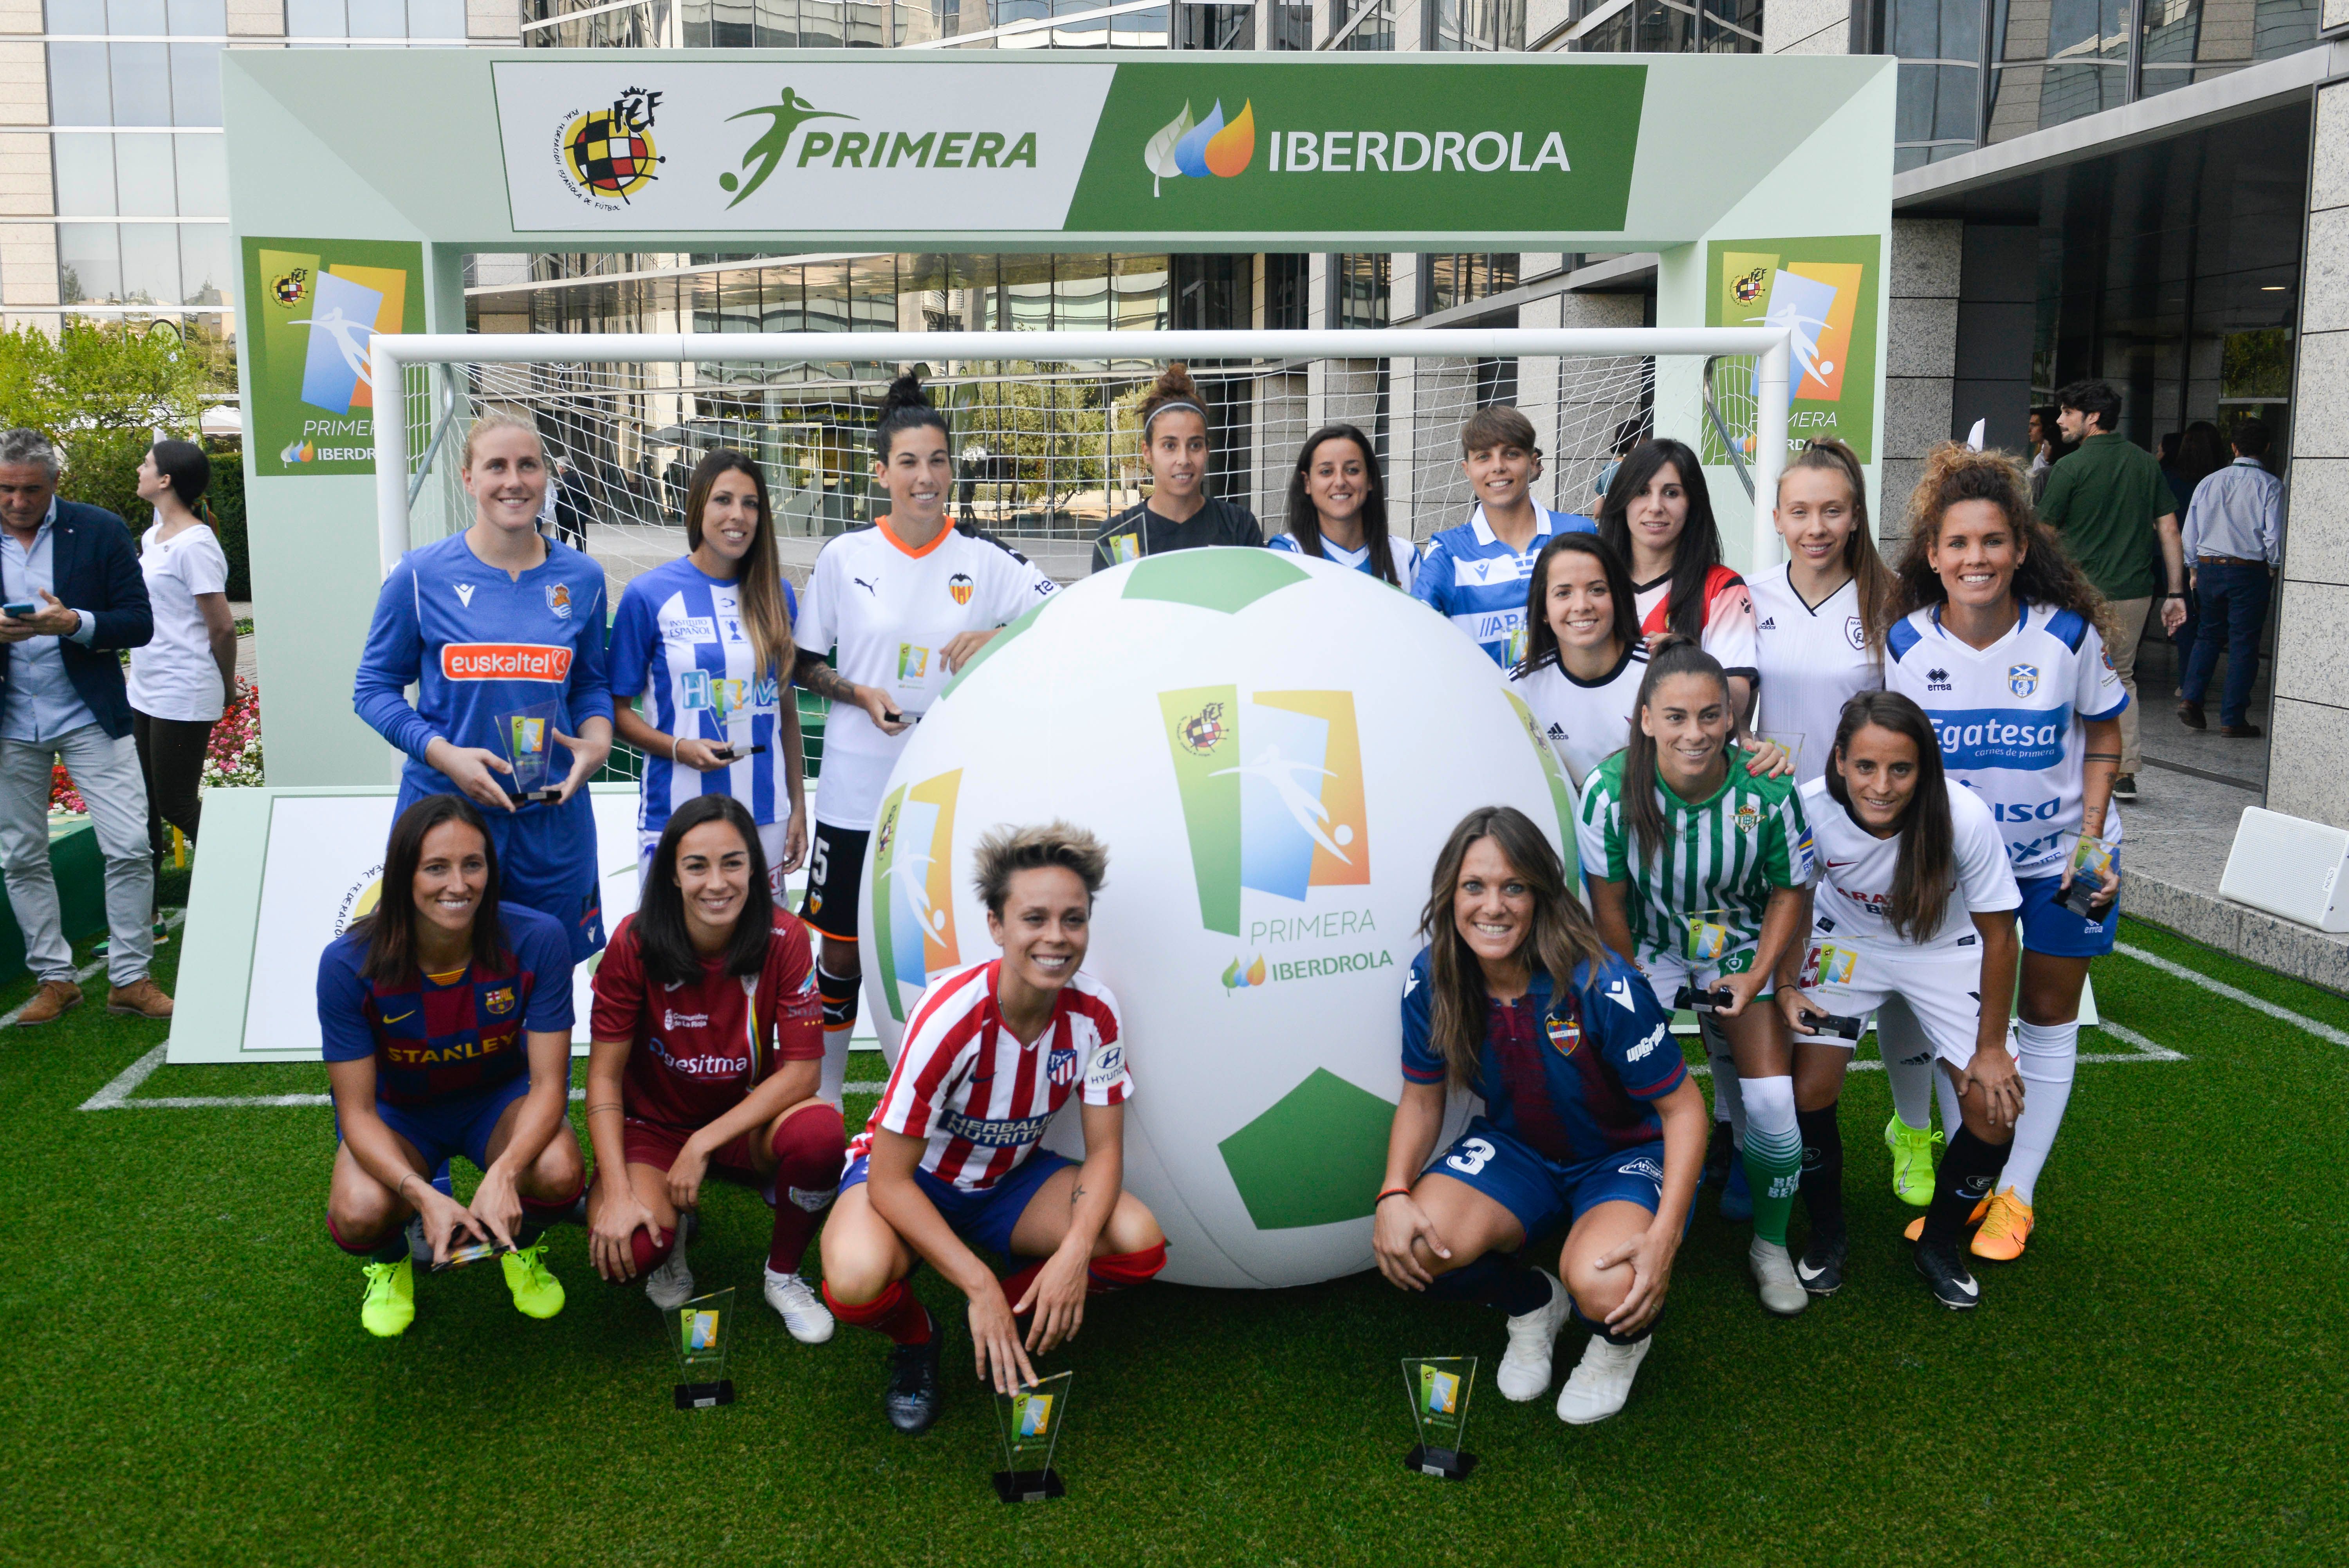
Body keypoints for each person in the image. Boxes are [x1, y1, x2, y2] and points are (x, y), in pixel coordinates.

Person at [817, 823, 1165, 1434]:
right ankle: (922, 1339)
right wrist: (977, 1284)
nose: (1056, 937)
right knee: (852, 1280)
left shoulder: (1095, 1011)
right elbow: (892, 1181)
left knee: (1138, 1240)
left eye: (1074, 919)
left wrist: (1075, 1251)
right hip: (913, 1181)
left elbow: (1105, 1150)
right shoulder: (951, 1017)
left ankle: (1021, 1306)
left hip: (1008, 1183)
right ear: (997, 926)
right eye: (1034, 918)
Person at [1373, 806, 1703, 1425]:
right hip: (1517, 1150)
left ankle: (1617, 1347)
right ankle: (1532, 1303)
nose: (1492, 906)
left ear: (1541, 896)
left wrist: (1665, 1238)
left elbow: (1684, 1109)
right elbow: (1422, 1095)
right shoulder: (1433, 978)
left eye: (1513, 887)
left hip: (1622, 1155)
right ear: (1451, 894)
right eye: (1475, 886)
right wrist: (1392, 1191)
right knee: (1416, 1242)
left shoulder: (1601, 982)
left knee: (1607, 1286)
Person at [1886, 442, 2127, 1263]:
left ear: (2021, 549)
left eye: (1992, 541)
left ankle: (2015, 1196)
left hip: (2069, 857)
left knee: (2049, 1019)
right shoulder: (1908, 646)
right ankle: (1973, 1185)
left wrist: (2092, 840)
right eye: (1958, 543)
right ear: (1933, 555)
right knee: (1970, 1032)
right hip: (1958, 875)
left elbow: (2103, 732)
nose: (1975, 557)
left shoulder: (2067, 636)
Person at [792, 375, 1059, 1099]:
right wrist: (856, 692)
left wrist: (1000, 633)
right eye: (909, 462)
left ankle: (945, 1096)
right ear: (882, 472)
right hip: (856, 784)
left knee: (948, 944)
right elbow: (803, 663)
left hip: (950, 784)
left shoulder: (984, 557)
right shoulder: (846, 558)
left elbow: (1059, 616)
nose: (926, 476)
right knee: (842, 951)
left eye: (938, 460)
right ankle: (827, 1098)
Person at [1577, 637, 1815, 1315]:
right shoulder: (1606, 792)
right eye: (1676, 717)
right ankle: (1617, 1214)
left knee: (1771, 1104)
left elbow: (1789, 893)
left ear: (1731, 720)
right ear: (1646, 719)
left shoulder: (1767, 789)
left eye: (1711, 716)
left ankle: (1770, 1248)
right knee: (1617, 1086)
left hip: (1737, 942)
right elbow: (1611, 907)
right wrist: (1633, 999)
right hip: (1647, 943)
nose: (1695, 732)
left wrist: (1759, 975)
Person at [1743, 438, 1951, 1209]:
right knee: (1802, 987)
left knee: (1901, 985)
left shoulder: (1893, 602)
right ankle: (1763, 1144)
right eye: (1801, 510)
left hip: (1875, 827)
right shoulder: (1748, 596)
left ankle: (1913, 1127)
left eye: (1833, 509)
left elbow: (1910, 722)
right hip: (1783, 831)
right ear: (1778, 516)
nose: (1817, 526)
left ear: (1856, 514)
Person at [1773, 692, 2024, 1306]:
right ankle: (1828, 1235)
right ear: (1839, 761)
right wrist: (1786, 984)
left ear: (1924, 768)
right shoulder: (1805, 809)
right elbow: (1795, 902)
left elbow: (2000, 936)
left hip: (1946, 949)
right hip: (1846, 943)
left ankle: (1938, 1244)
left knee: (1995, 1109)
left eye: (1900, 769)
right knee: (1806, 1091)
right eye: (1865, 766)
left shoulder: (1962, 816)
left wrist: (1992, 1048)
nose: (1881, 786)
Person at [318, 793, 584, 1338]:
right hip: (403, 1115)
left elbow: (551, 1085)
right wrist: (421, 1193)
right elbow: (357, 1112)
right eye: (436, 867)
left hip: (496, 1103)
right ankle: (391, 1265)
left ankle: (519, 1247)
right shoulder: (348, 962)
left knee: (558, 1170)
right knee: (360, 1209)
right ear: (403, 875)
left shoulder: (538, 939)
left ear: (492, 868)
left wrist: (505, 1173)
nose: (458, 884)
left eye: (473, 864)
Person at [353, 412, 614, 965]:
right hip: (447, 819)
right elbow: (373, 688)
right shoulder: (420, 577)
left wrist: (597, 739)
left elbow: (590, 683)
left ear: (548, 477)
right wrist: (445, 755)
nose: (513, 481)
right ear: (469, 478)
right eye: (496, 466)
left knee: (545, 982)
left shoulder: (584, 579)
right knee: (442, 981)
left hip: (551, 820)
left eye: (528, 466)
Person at [584, 794, 845, 1339]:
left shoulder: (786, 936)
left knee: (821, 1134)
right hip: (652, 1128)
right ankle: (669, 1230)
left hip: (742, 1123)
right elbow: (604, 1079)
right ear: (673, 876)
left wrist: (702, 1143)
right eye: (696, 866)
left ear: (754, 865)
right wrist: (617, 1191)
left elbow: (803, 1073)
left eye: (732, 862)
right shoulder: (634, 942)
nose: (717, 882)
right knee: (630, 1251)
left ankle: (783, 1275)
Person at [0, 428, 170, 1025]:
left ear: (55, 485)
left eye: (31, 490)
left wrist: (75, 623)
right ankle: (55, 978)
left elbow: (139, 622)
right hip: (10, 722)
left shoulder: (99, 529)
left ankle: (130, 977)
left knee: (128, 845)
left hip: (89, 714)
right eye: (5, 490)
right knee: (20, 854)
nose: (17, 502)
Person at [607, 448, 809, 902]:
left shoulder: (776, 595)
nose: (738, 515)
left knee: (755, 957)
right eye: (724, 500)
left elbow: (787, 711)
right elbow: (617, 713)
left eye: (751, 503)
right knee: (673, 956)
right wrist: (680, 749)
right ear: (698, 506)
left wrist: (798, 807)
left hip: (766, 817)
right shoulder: (647, 595)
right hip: (675, 812)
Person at [2038, 381, 2187, 801]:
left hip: (2075, 595)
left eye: (2068, 412)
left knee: (2064, 676)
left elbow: (2043, 536)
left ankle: (2064, 765)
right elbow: (2169, 529)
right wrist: (2175, 593)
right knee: (2121, 677)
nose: (2060, 420)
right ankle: (2123, 772)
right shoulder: (2145, 464)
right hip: (2134, 592)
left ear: (2093, 417)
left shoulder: (2069, 468)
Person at [125, 440, 235, 931]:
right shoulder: (154, 538)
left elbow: (223, 627)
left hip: (184, 689)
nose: (140, 469)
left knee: (175, 803)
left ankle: (252, 867)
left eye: (148, 465)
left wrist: (227, 683)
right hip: (145, 688)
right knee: (144, 802)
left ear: (166, 480)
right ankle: (144, 917)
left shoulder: (196, 544)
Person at [1413, 404, 1597, 669]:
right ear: (1467, 469)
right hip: (1486, 707)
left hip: (1570, 707)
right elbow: (1413, 631)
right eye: (1484, 457)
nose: (1498, 467)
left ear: (1533, 463)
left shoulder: (1578, 532)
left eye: (1511, 454)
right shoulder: (1447, 551)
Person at [1597, 437, 1760, 725]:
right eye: (1642, 492)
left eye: (1671, 493)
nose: (1656, 506)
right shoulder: (1594, 583)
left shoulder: (1722, 588)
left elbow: (1737, 697)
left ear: (1692, 504)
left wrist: (1687, 660)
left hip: (1682, 762)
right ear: (1622, 500)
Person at [1092, 365, 1263, 568]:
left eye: (1195, 445)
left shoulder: (1238, 526)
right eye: (1170, 446)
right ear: (1147, 452)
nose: (1184, 459)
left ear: (1208, 450)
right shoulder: (1121, 537)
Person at [2177, 419, 2281, 739]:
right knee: (2243, 644)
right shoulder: (2271, 485)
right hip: (2249, 571)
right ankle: (2232, 718)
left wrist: (2193, 569)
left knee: (2207, 635)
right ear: (2266, 448)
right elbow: (2274, 536)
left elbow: (2189, 533)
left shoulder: (2209, 482)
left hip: (2209, 568)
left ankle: (2192, 698)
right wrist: (2274, 567)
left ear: (2233, 447)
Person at [1268, 424, 1416, 590]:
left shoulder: (1405, 556)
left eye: (1352, 470)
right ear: (1307, 483)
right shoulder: (1289, 554)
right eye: (1326, 472)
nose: (1340, 482)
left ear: (1370, 479)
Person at [2162, 421, 2228, 692]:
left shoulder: (2168, 477)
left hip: (2171, 556)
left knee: (2185, 621)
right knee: (2212, 624)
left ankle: (2187, 683)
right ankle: (2196, 683)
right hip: (2214, 559)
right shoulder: (2221, 479)